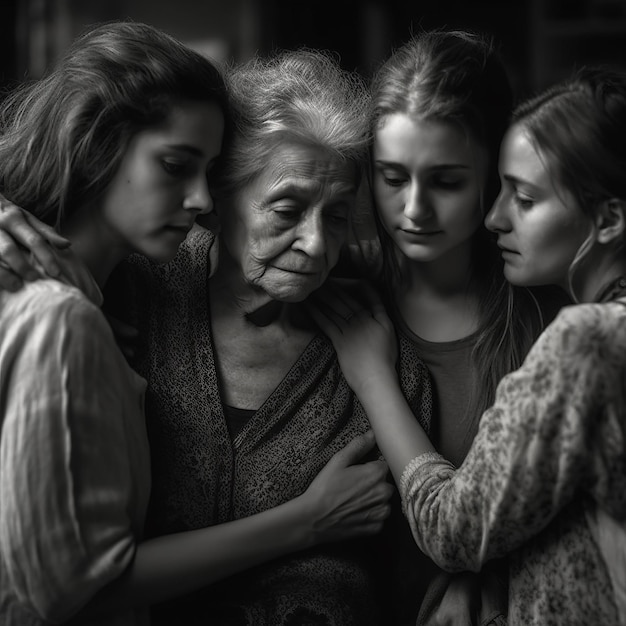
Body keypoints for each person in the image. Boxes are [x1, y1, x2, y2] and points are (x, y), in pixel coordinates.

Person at [0, 42, 432, 624]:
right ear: (219, 195)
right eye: (286, 209)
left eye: (336, 215)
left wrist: (457, 585)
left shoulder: (379, 348)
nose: (315, 244)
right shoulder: (126, 282)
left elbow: (416, 566)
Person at [312, 65, 626, 624]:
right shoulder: (327, 276)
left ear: (609, 219)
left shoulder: (576, 332)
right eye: (390, 176)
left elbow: (456, 527)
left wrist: (372, 376)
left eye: (524, 198)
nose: (495, 215)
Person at [338, 29, 559, 625]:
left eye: (446, 181)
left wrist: (479, 578)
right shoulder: (334, 281)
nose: (413, 209)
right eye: (392, 177)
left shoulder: (547, 318)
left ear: (494, 173)